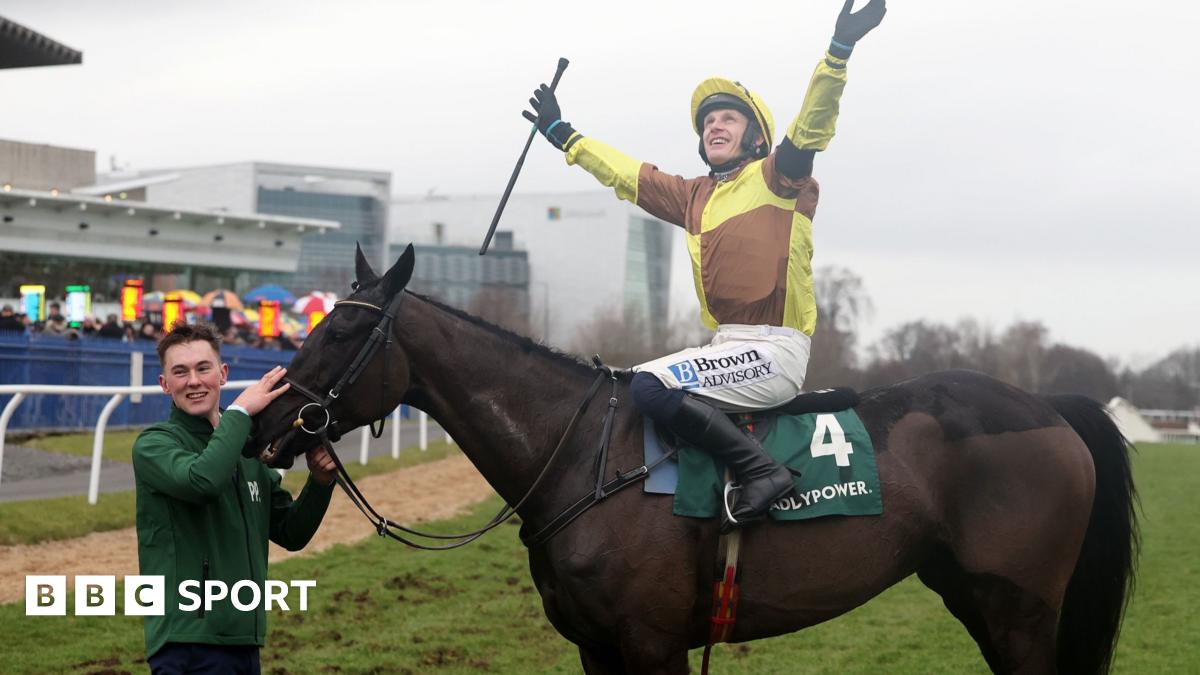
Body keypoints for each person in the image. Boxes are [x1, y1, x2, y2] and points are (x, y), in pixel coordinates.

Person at [523, 0, 886, 526]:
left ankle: (763, 473)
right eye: (708, 121)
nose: (715, 126)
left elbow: (811, 126)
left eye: (728, 118)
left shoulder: (778, 175)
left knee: (650, 388)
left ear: (756, 136)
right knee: (621, 388)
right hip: (726, 348)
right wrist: (564, 135)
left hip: (774, 351)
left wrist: (838, 52)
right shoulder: (693, 197)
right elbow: (628, 175)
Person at [132, 322, 338, 674]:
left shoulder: (247, 448)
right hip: (188, 642)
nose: (193, 381)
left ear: (222, 374)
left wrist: (320, 484)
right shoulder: (154, 445)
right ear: (165, 384)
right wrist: (240, 413)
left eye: (203, 368)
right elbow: (203, 481)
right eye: (180, 372)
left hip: (244, 641)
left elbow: (291, 532)